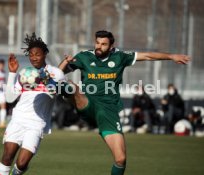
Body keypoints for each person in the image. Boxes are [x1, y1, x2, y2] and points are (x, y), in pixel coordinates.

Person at [58, 30, 190, 175]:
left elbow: (146, 55)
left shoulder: (120, 57)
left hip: (109, 111)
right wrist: (65, 62)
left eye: (103, 44)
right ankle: (54, 90)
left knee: (120, 159)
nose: (99, 46)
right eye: (97, 43)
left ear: (111, 46)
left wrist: (171, 56)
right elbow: (57, 74)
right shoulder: (84, 57)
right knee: (70, 86)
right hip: (89, 104)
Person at [0, 33, 65, 175]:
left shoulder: (56, 73)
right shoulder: (25, 73)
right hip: (18, 120)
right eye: (31, 54)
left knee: (21, 164)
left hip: (37, 123)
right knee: (7, 158)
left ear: (45, 54)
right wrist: (13, 73)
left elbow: (57, 93)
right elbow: (9, 99)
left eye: (37, 54)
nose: (33, 58)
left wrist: (45, 81)